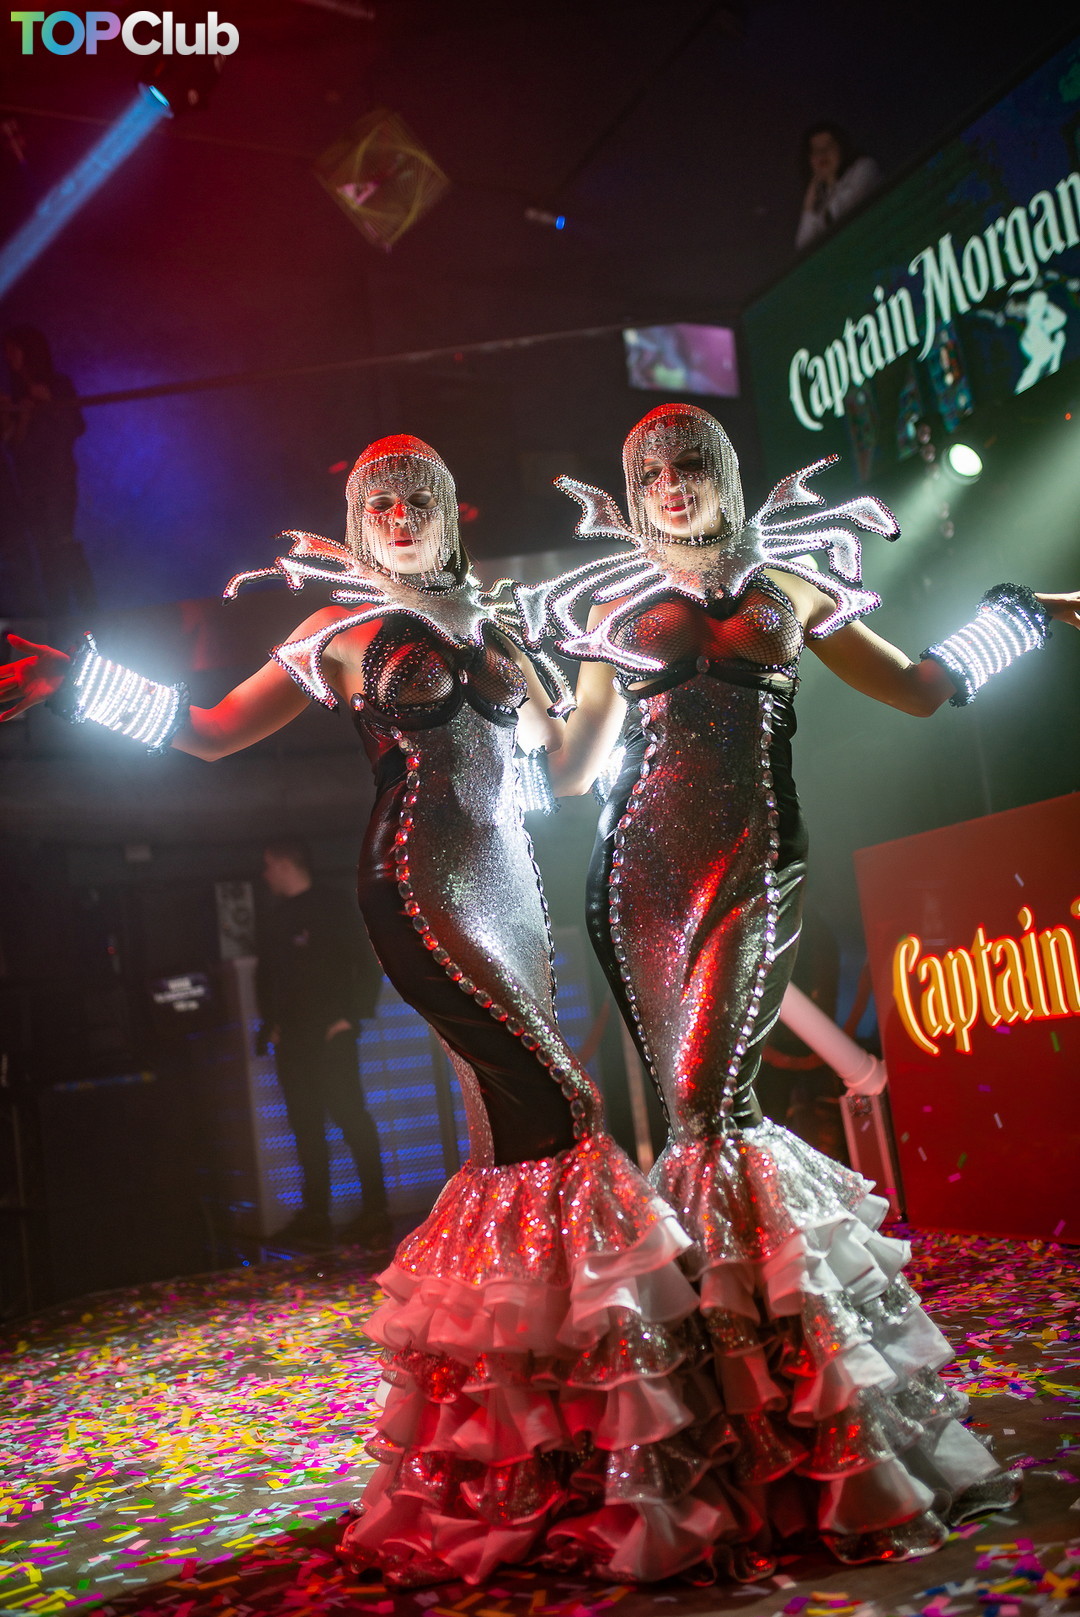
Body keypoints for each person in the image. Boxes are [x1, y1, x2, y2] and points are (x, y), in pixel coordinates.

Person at [0, 434, 744, 1587]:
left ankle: (529, 1447)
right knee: (563, 1115)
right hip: (417, 886)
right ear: (356, 524)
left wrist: (633, 669)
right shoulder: (337, 633)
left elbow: (563, 765)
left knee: (519, 1149)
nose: (399, 515)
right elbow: (209, 732)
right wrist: (79, 680)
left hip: (515, 894)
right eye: (378, 502)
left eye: (416, 498)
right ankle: (572, 1433)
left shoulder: (499, 631)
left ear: (450, 511)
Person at [531, 402, 1078, 1566]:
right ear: (630, 494)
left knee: (711, 1114)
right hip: (638, 881)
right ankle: (738, 1430)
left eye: (692, 463)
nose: (672, 483)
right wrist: (511, 709)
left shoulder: (795, 585)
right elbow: (573, 772)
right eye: (650, 471)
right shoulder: (608, 608)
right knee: (697, 1118)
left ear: (727, 474)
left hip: (758, 868)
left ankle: (786, 1426)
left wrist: (1017, 618)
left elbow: (918, 690)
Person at [256, 837, 389, 1247]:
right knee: (306, 1125)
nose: (265, 875)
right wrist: (271, 1024)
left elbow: (368, 961)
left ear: (284, 864)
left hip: (330, 1034)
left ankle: (375, 1211)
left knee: (349, 1117)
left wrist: (350, 1017)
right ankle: (316, 1213)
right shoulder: (277, 917)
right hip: (295, 1038)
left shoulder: (331, 907)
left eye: (268, 865)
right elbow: (267, 975)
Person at [1, 326, 96, 619]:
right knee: (43, 545)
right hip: (29, 480)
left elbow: (77, 426)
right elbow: (14, 445)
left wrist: (49, 402)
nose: (8, 355)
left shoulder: (58, 384)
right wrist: (23, 413)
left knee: (61, 540)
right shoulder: (14, 391)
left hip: (57, 475)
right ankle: (60, 613)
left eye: (14, 349)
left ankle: (88, 610)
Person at [795, 123, 880, 251]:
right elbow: (804, 247)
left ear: (840, 148)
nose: (822, 154)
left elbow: (847, 211)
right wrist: (808, 206)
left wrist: (830, 177)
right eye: (816, 151)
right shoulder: (821, 204)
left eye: (828, 146)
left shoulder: (863, 168)